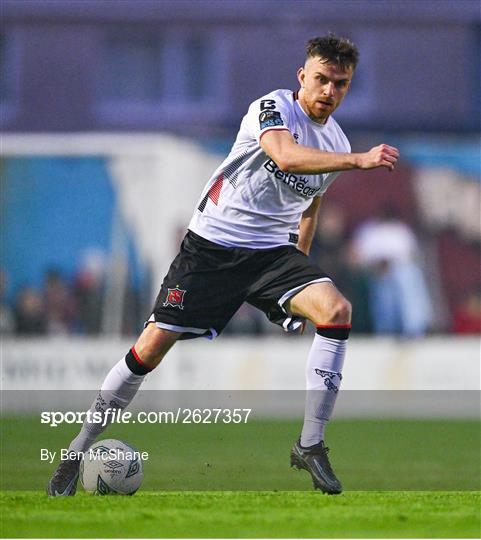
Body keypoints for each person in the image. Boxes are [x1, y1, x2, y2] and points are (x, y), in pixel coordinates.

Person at [47, 34, 399, 496]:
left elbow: (310, 207)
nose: (329, 91)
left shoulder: (334, 141)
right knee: (149, 350)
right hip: (213, 247)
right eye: (322, 79)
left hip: (272, 255)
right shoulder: (271, 108)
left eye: (341, 83)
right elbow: (285, 155)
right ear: (302, 77)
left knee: (336, 311)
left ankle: (310, 444)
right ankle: (75, 452)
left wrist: (297, 283)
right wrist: (360, 160)